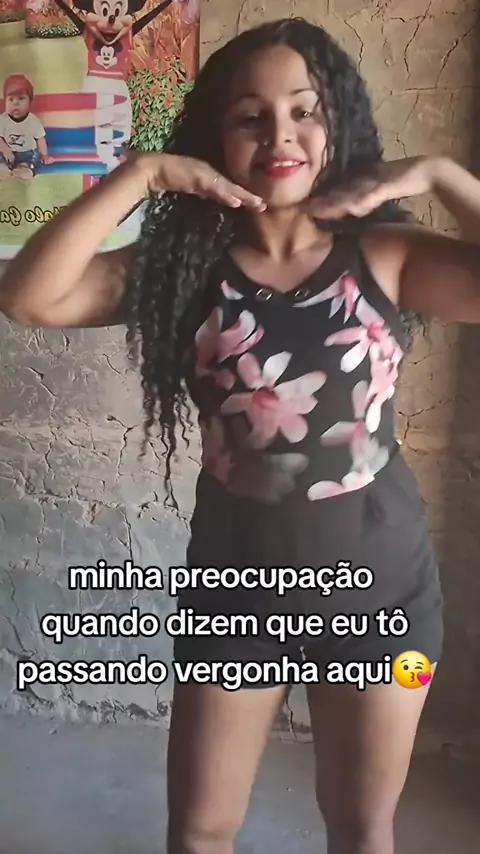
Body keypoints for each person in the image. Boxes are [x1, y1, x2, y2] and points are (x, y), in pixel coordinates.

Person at [1, 17, 480, 854]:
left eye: (304, 111)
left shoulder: (387, 256)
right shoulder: (183, 273)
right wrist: (141, 173)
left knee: (364, 827)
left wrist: (441, 174)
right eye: (250, 117)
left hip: (385, 602)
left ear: (337, 124)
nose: (279, 135)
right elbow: (27, 297)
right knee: (199, 830)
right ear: (216, 139)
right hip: (237, 597)